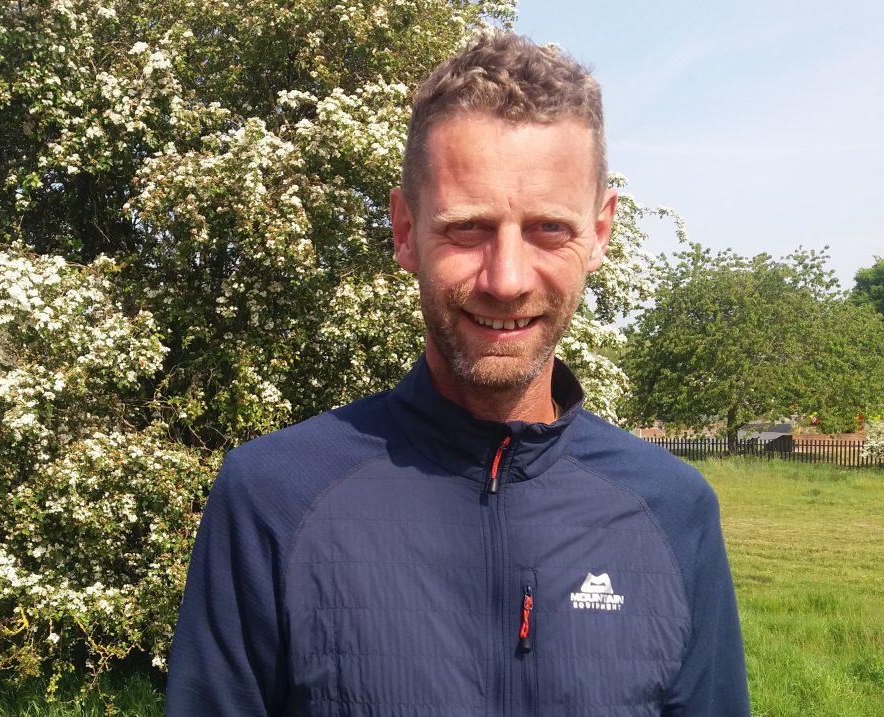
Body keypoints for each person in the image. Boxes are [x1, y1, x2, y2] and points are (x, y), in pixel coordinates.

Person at [165, 33, 750, 716]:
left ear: (598, 234)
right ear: (406, 230)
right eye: (468, 228)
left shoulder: (673, 511)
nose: (506, 279)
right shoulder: (272, 499)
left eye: (548, 229)